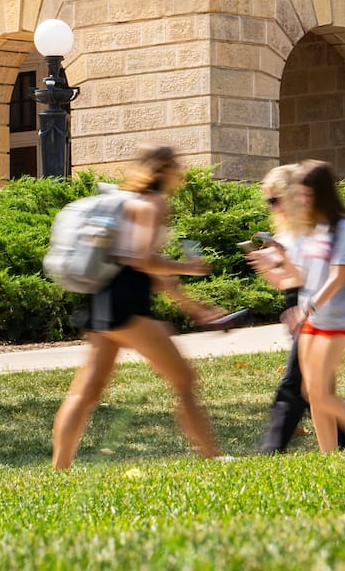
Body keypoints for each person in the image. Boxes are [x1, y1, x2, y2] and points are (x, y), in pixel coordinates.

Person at [50, 146, 231, 469]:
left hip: (101, 299)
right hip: (128, 305)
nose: (182, 173)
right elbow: (142, 260)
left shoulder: (125, 203)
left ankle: (59, 468)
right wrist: (190, 267)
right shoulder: (154, 204)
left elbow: (154, 275)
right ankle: (213, 457)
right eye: (178, 166)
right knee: (184, 381)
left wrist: (194, 308)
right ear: (165, 170)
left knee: (86, 393)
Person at [249, 159, 345, 452]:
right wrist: (275, 263)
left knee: (315, 391)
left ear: (321, 193)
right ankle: (330, 455)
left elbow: (338, 276)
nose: (302, 201)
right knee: (311, 391)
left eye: (306, 195)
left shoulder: (344, 228)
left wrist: (307, 308)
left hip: (339, 318)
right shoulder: (315, 229)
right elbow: (302, 278)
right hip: (314, 317)